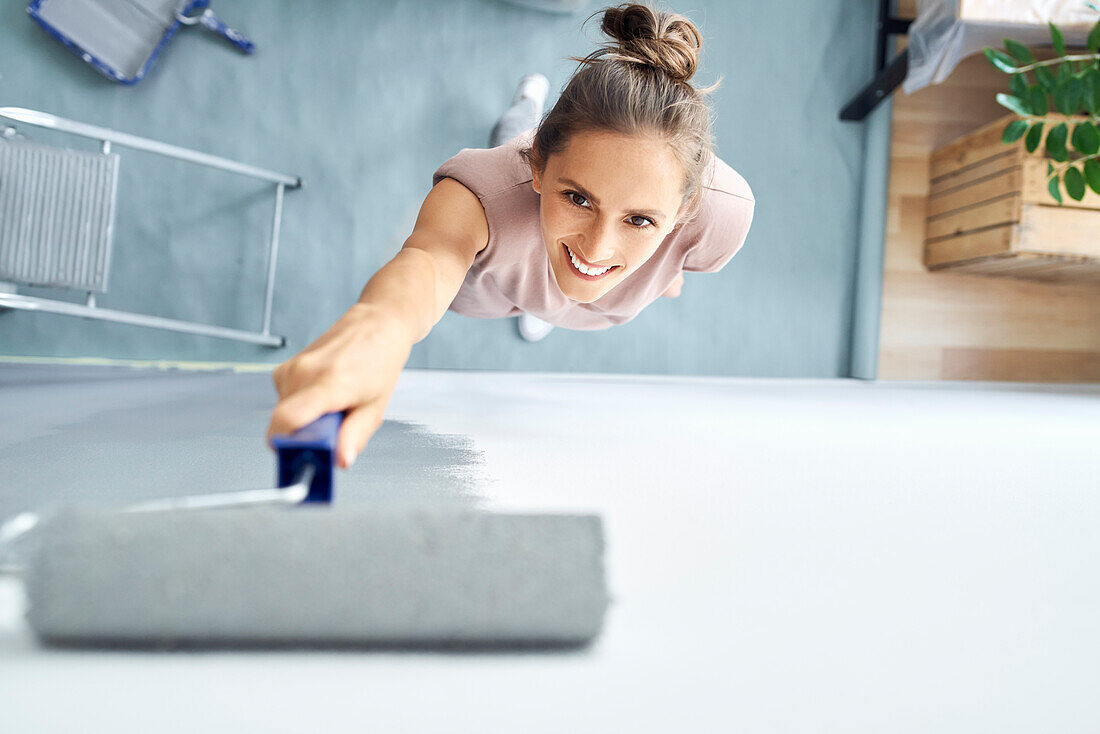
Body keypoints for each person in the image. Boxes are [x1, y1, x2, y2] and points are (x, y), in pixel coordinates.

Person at [267, 2, 755, 468]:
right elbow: (433, 258)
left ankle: (549, 290)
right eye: (578, 198)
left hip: (559, 272)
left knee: (568, 279)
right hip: (498, 273)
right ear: (540, 168)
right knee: (513, 134)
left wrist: (670, 272)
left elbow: (674, 250)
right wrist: (382, 326)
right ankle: (526, 106)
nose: (596, 247)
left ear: (684, 212)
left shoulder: (721, 217)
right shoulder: (487, 192)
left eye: (641, 220)